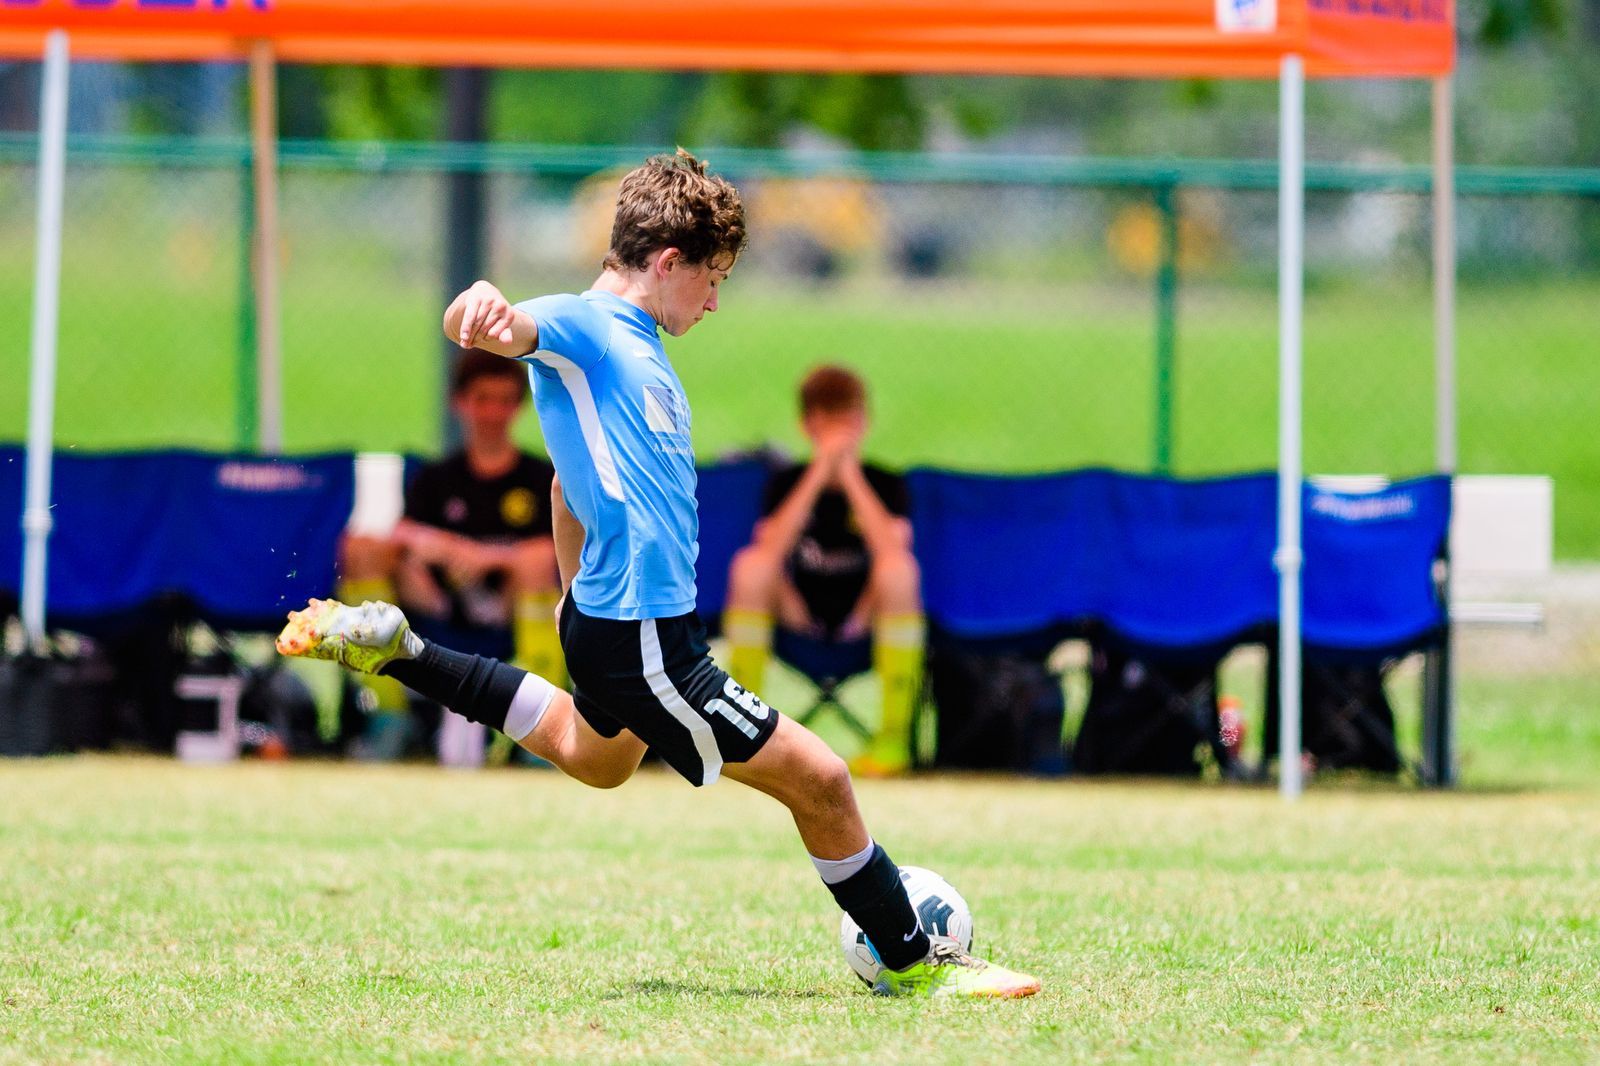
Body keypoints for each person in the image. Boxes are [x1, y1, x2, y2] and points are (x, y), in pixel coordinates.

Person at [277, 150, 1038, 998]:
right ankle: (914, 963)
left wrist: (573, 594)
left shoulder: (627, 345)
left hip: (614, 620)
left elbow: (568, 484)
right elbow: (497, 321)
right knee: (819, 778)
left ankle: (403, 650)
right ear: (668, 263)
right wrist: (482, 306)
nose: (714, 301)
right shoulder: (590, 326)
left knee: (594, 756)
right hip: (645, 637)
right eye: (712, 280)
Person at [337, 351, 565, 757]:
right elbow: (400, 534)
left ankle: (543, 725)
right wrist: (446, 551)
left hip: (511, 610)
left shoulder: (541, 477)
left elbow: (566, 553)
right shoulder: (436, 478)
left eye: (505, 400)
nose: (493, 413)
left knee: (538, 562)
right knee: (363, 549)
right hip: (436, 607)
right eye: (482, 399)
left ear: (520, 405)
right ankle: (388, 715)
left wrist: (487, 558)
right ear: (458, 402)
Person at [724, 365, 923, 776]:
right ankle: (744, 734)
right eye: (828, 423)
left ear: (864, 422)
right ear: (807, 426)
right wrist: (819, 471)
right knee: (750, 566)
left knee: (899, 570)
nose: (839, 434)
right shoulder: (787, 482)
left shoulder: (886, 483)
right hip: (796, 619)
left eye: (848, 421)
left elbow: (891, 547)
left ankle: (893, 740)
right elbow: (771, 547)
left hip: (865, 625)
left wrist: (848, 474)